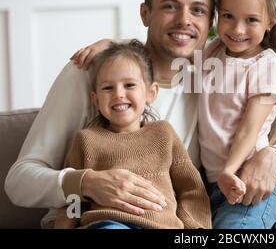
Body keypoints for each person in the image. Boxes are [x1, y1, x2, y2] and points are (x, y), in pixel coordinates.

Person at [5, 0, 276, 229]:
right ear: (145, 13)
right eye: (170, 6)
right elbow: (19, 182)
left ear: (210, 21)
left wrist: (273, 157)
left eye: (198, 10)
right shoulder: (90, 75)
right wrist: (86, 182)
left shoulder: (208, 76)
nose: (184, 20)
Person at [53, 40, 211, 229]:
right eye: (108, 88)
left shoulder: (164, 134)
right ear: (95, 99)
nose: (118, 94)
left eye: (129, 85)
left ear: (151, 93)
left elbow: (191, 189)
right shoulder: (86, 140)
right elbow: (72, 197)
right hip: (108, 223)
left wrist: (196, 228)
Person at [197, 0, 276, 229]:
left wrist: (228, 170)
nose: (237, 30)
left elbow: (250, 129)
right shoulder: (211, 52)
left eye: (251, 20)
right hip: (213, 187)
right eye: (228, 16)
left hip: (250, 186)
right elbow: (164, 54)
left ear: (271, 21)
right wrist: (114, 44)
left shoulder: (267, 67)